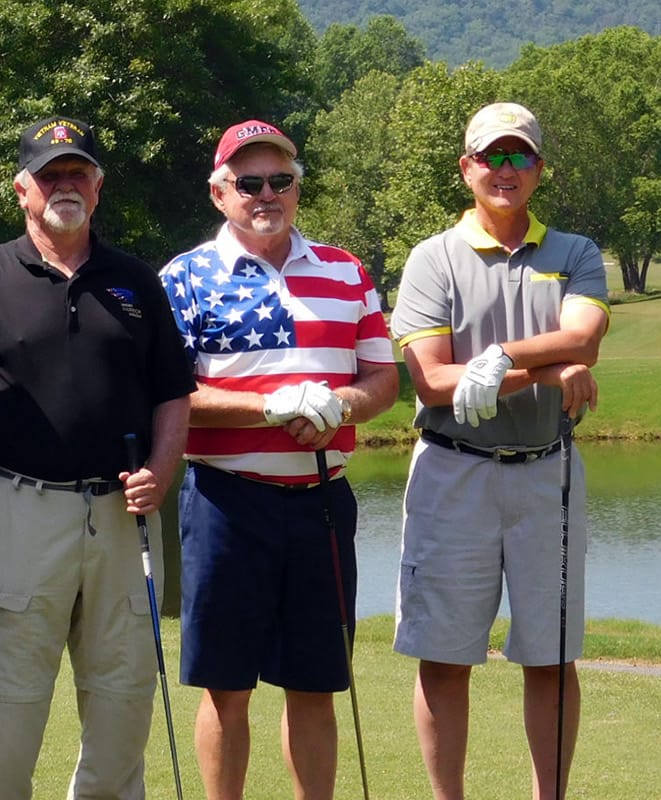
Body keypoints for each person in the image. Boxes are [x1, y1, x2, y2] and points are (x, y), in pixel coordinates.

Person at [0, 115, 196, 799]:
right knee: (5, 707)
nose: (65, 185)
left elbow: (174, 393)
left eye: (78, 173)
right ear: (22, 189)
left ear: (99, 187)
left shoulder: (135, 281)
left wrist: (163, 470)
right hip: (21, 508)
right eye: (51, 175)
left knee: (122, 699)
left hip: (123, 516)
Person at [157, 119, 398, 799]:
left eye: (281, 181)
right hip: (227, 501)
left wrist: (340, 407)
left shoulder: (344, 270)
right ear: (219, 192)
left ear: (297, 187)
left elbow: (383, 381)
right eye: (249, 182)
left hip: (321, 501)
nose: (267, 194)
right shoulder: (185, 277)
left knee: (314, 683)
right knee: (226, 686)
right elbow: (169, 395)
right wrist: (267, 407)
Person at [389, 102, 609, 800]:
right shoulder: (432, 259)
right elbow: (432, 379)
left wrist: (500, 357)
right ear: (466, 168)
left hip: (548, 472)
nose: (504, 170)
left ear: (539, 170)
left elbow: (585, 339)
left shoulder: (573, 253)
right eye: (491, 156)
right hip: (454, 470)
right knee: (445, 656)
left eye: (519, 157)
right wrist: (545, 372)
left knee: (550, 655)